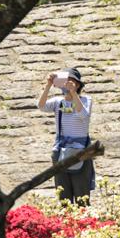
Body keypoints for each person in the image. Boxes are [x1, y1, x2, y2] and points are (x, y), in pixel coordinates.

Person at [38, 65, 95, 202]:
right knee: (64, 195)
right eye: (66, 81)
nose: (68, 84)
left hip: (81, 152)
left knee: (82, 195)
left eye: (72, 81)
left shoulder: (86, 100)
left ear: (78, 84)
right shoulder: (58, 102)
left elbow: (83, 115)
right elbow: (41, 106)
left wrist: (74, 94)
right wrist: (48, 85)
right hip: (61, 152)